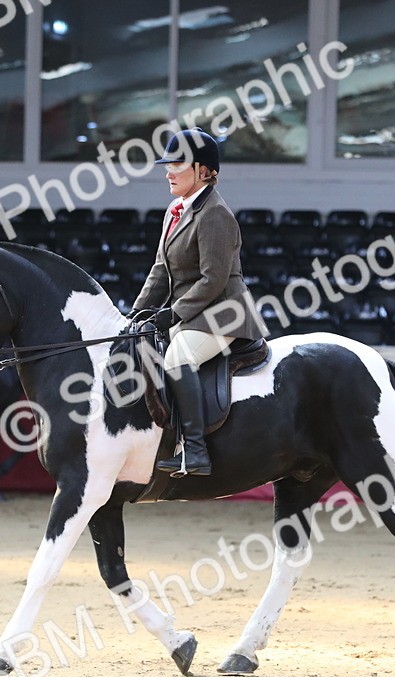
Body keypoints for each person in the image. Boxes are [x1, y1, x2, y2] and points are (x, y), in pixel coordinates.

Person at [130, 128, 268, 477]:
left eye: (177, 164)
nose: (168, 171)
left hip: (225, 313)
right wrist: (134, 314)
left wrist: (172, 314)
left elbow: (214, 280)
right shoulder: (176, 210)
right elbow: (160, 270)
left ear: (203, 171)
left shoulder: (215, 214)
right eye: (168, 164)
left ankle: (194, 450)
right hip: (196, 313)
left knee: (180, 355)